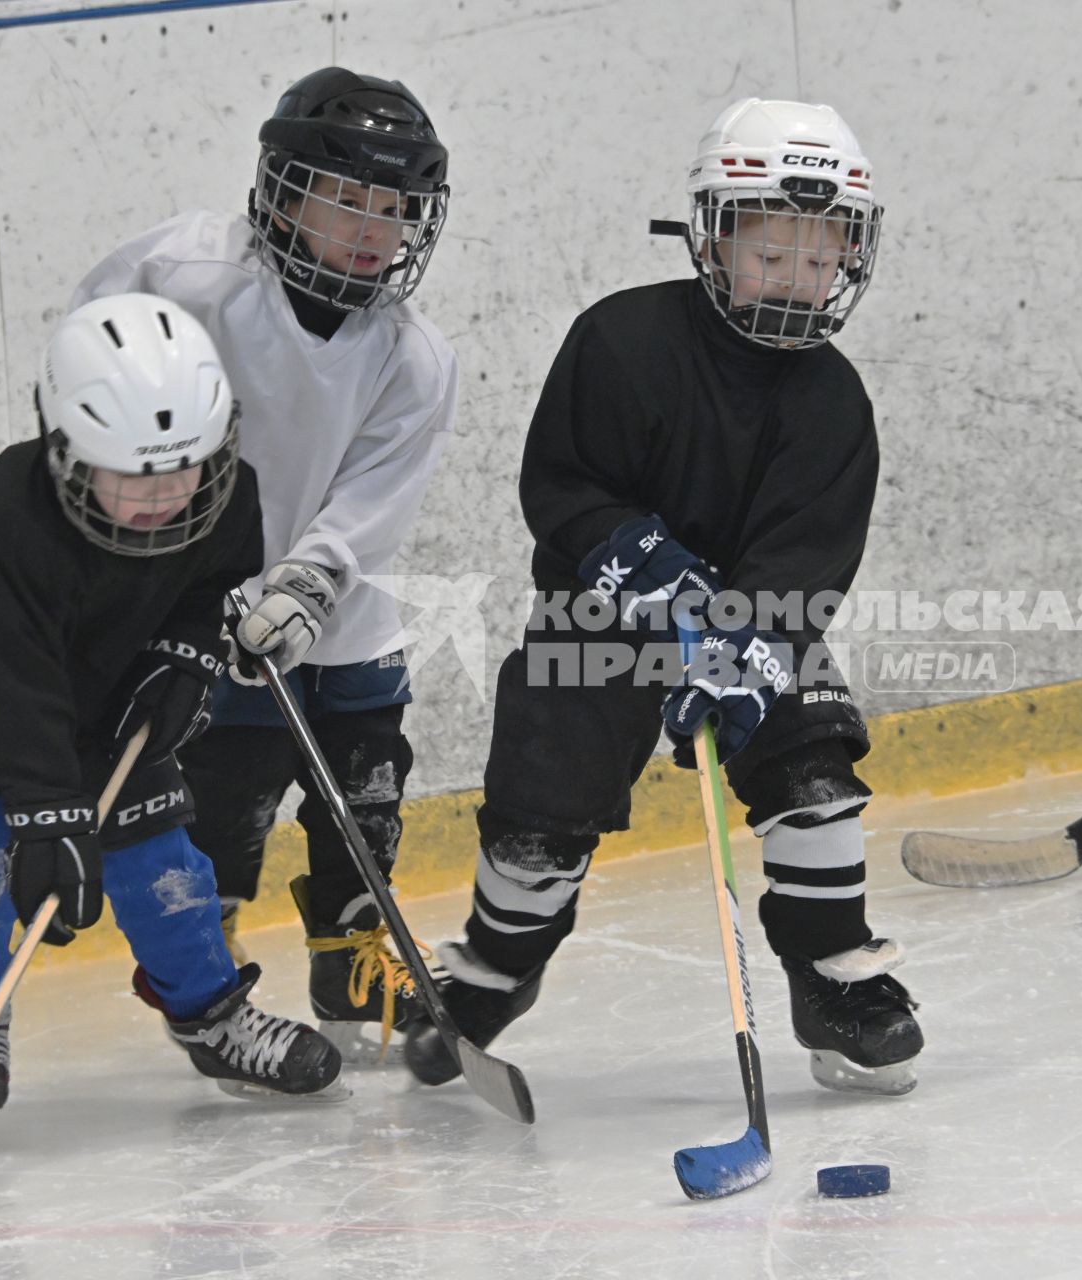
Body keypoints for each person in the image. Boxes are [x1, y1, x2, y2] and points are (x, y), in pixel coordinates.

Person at [403, 98, 924, 1097]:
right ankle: (494, 968)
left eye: (819, 260)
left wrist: (740, 654)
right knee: (534, 826)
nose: (797, 281)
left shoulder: (833, 403)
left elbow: (800, 573)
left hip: (746, 632)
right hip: (594, 622)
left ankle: (830, 976)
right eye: (772, 254)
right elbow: (560, 489)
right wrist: (646, 568)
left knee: (813, 770)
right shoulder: (620, 342)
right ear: (712, 236)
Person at [0, 293, 344, 1120]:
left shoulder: (229, 497)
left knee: (157, 851)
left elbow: (204, 592)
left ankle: (211, 1018)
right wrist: (50, 816)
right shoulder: (11, 521)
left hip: (98, 680)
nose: (161, 495)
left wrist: (183, 659)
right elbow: (15, 682)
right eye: (130, 474)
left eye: (181, 469)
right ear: (66, 453)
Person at [68, 67, 459, 1067]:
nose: (375, 231)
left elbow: (374, 492)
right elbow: (95, 387)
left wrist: (305, 582)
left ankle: (354, 951)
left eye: (394, 210)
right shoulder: (182, 279)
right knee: (222, 808)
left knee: (365, 791)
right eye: (348, 203)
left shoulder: (412, 355)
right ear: (282, 195)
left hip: (344, 617)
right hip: (196, 611)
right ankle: (209, 974)